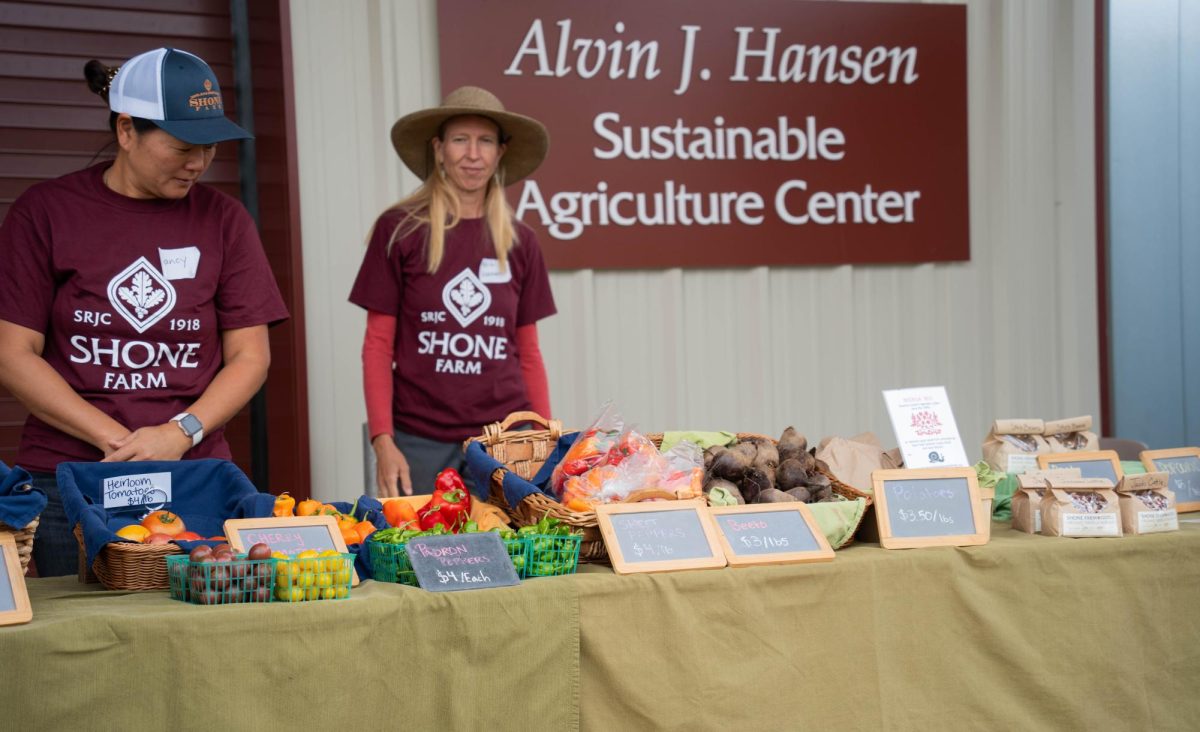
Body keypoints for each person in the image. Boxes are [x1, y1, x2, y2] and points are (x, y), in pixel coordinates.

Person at [0, 48, 288, 576]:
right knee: (80, 638)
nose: (198, 164)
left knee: (200, 632)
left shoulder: (224, 220)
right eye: (182, 147)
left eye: (209, 147)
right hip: (71, 481)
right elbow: (13, 353)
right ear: (127, 130)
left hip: (196, 476)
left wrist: (178, 433)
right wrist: (120, 440)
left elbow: (251, 356)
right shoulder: (45, 212)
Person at [350, 86, 556, 498]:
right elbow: (377, 345)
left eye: (485, 141)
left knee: (510, 556)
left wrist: (545, 437)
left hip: (501, 442)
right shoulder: (401, 230)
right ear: (439, 148)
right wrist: (383, 440)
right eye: (460, 140)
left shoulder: (520, 241)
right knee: (419, 557)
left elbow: (528, 351)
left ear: (501, 151)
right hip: (418, 441)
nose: (473, 154)